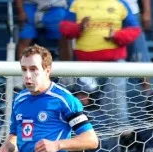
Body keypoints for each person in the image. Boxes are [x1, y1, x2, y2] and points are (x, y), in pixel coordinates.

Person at [59, 0, 141, 128]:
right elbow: (64, 28)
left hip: (114, 63)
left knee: (115, 99)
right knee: (83, 101)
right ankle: (80, 133)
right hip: (84, 64)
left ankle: (121, 133)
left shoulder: (120, 3)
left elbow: (134, 29)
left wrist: (117, 35)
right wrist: (79, 27)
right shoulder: (76, 3)